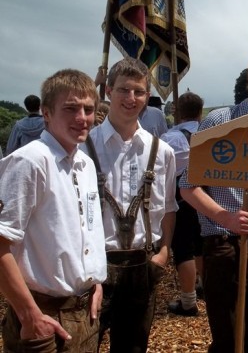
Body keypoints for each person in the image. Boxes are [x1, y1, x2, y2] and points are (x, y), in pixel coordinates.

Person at [179, 46, 248, 353]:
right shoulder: (220, 120)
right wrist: (225, 216)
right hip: (225, 245)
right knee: (227, 339)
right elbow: (188, 187)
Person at [0, 69, 106, 352]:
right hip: (43, 313)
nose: (82, 118)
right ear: (46, 113)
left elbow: (85, 229)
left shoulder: (86, 163)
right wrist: (30, 315)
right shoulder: (30, 162)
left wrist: (95, 281)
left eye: (88, 109)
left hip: (84, 311)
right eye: (70, 108)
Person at [84, 58, 178, 353]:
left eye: (138, 91)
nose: (131, 98)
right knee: (85, 345)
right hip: (94, 266)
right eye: (124, 90)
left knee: (133, 348)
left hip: (143, 264)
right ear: (108, 91)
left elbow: (169, 207)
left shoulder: (162, 151)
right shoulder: (83, 147)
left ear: (147, 96)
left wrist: (164, 251)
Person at [162, 91, 205, 317]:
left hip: (182, 198)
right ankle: (204, 285)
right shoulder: (209, 135)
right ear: (200, 112)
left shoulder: (169, 138)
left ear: (177, 112)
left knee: (184, 248)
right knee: (201, 244)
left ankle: (188, 301)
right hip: (206, 197)